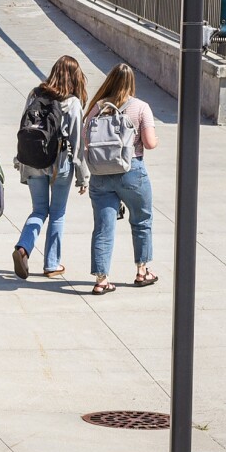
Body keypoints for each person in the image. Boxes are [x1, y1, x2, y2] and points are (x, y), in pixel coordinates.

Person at [11, 54, 89, 280]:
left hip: (33, 160)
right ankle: (51, 264)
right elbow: (77, 141)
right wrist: (83, 176)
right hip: (59, 164)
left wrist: (20, 159)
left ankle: (23, 248)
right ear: (76, 78)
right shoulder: (72, 103)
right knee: (57, 213)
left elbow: (24, 126)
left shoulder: (35, 94)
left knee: (38, 210)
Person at [85, 63, 160, 295]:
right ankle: (142, 270)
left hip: (100, 174)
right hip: (131, 171)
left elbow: (84, 139)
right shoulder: (141, 108)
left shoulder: (97, 108)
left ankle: (101, 279)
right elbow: (149, 143)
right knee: (142, 220)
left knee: (103, 227)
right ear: (131, 83)